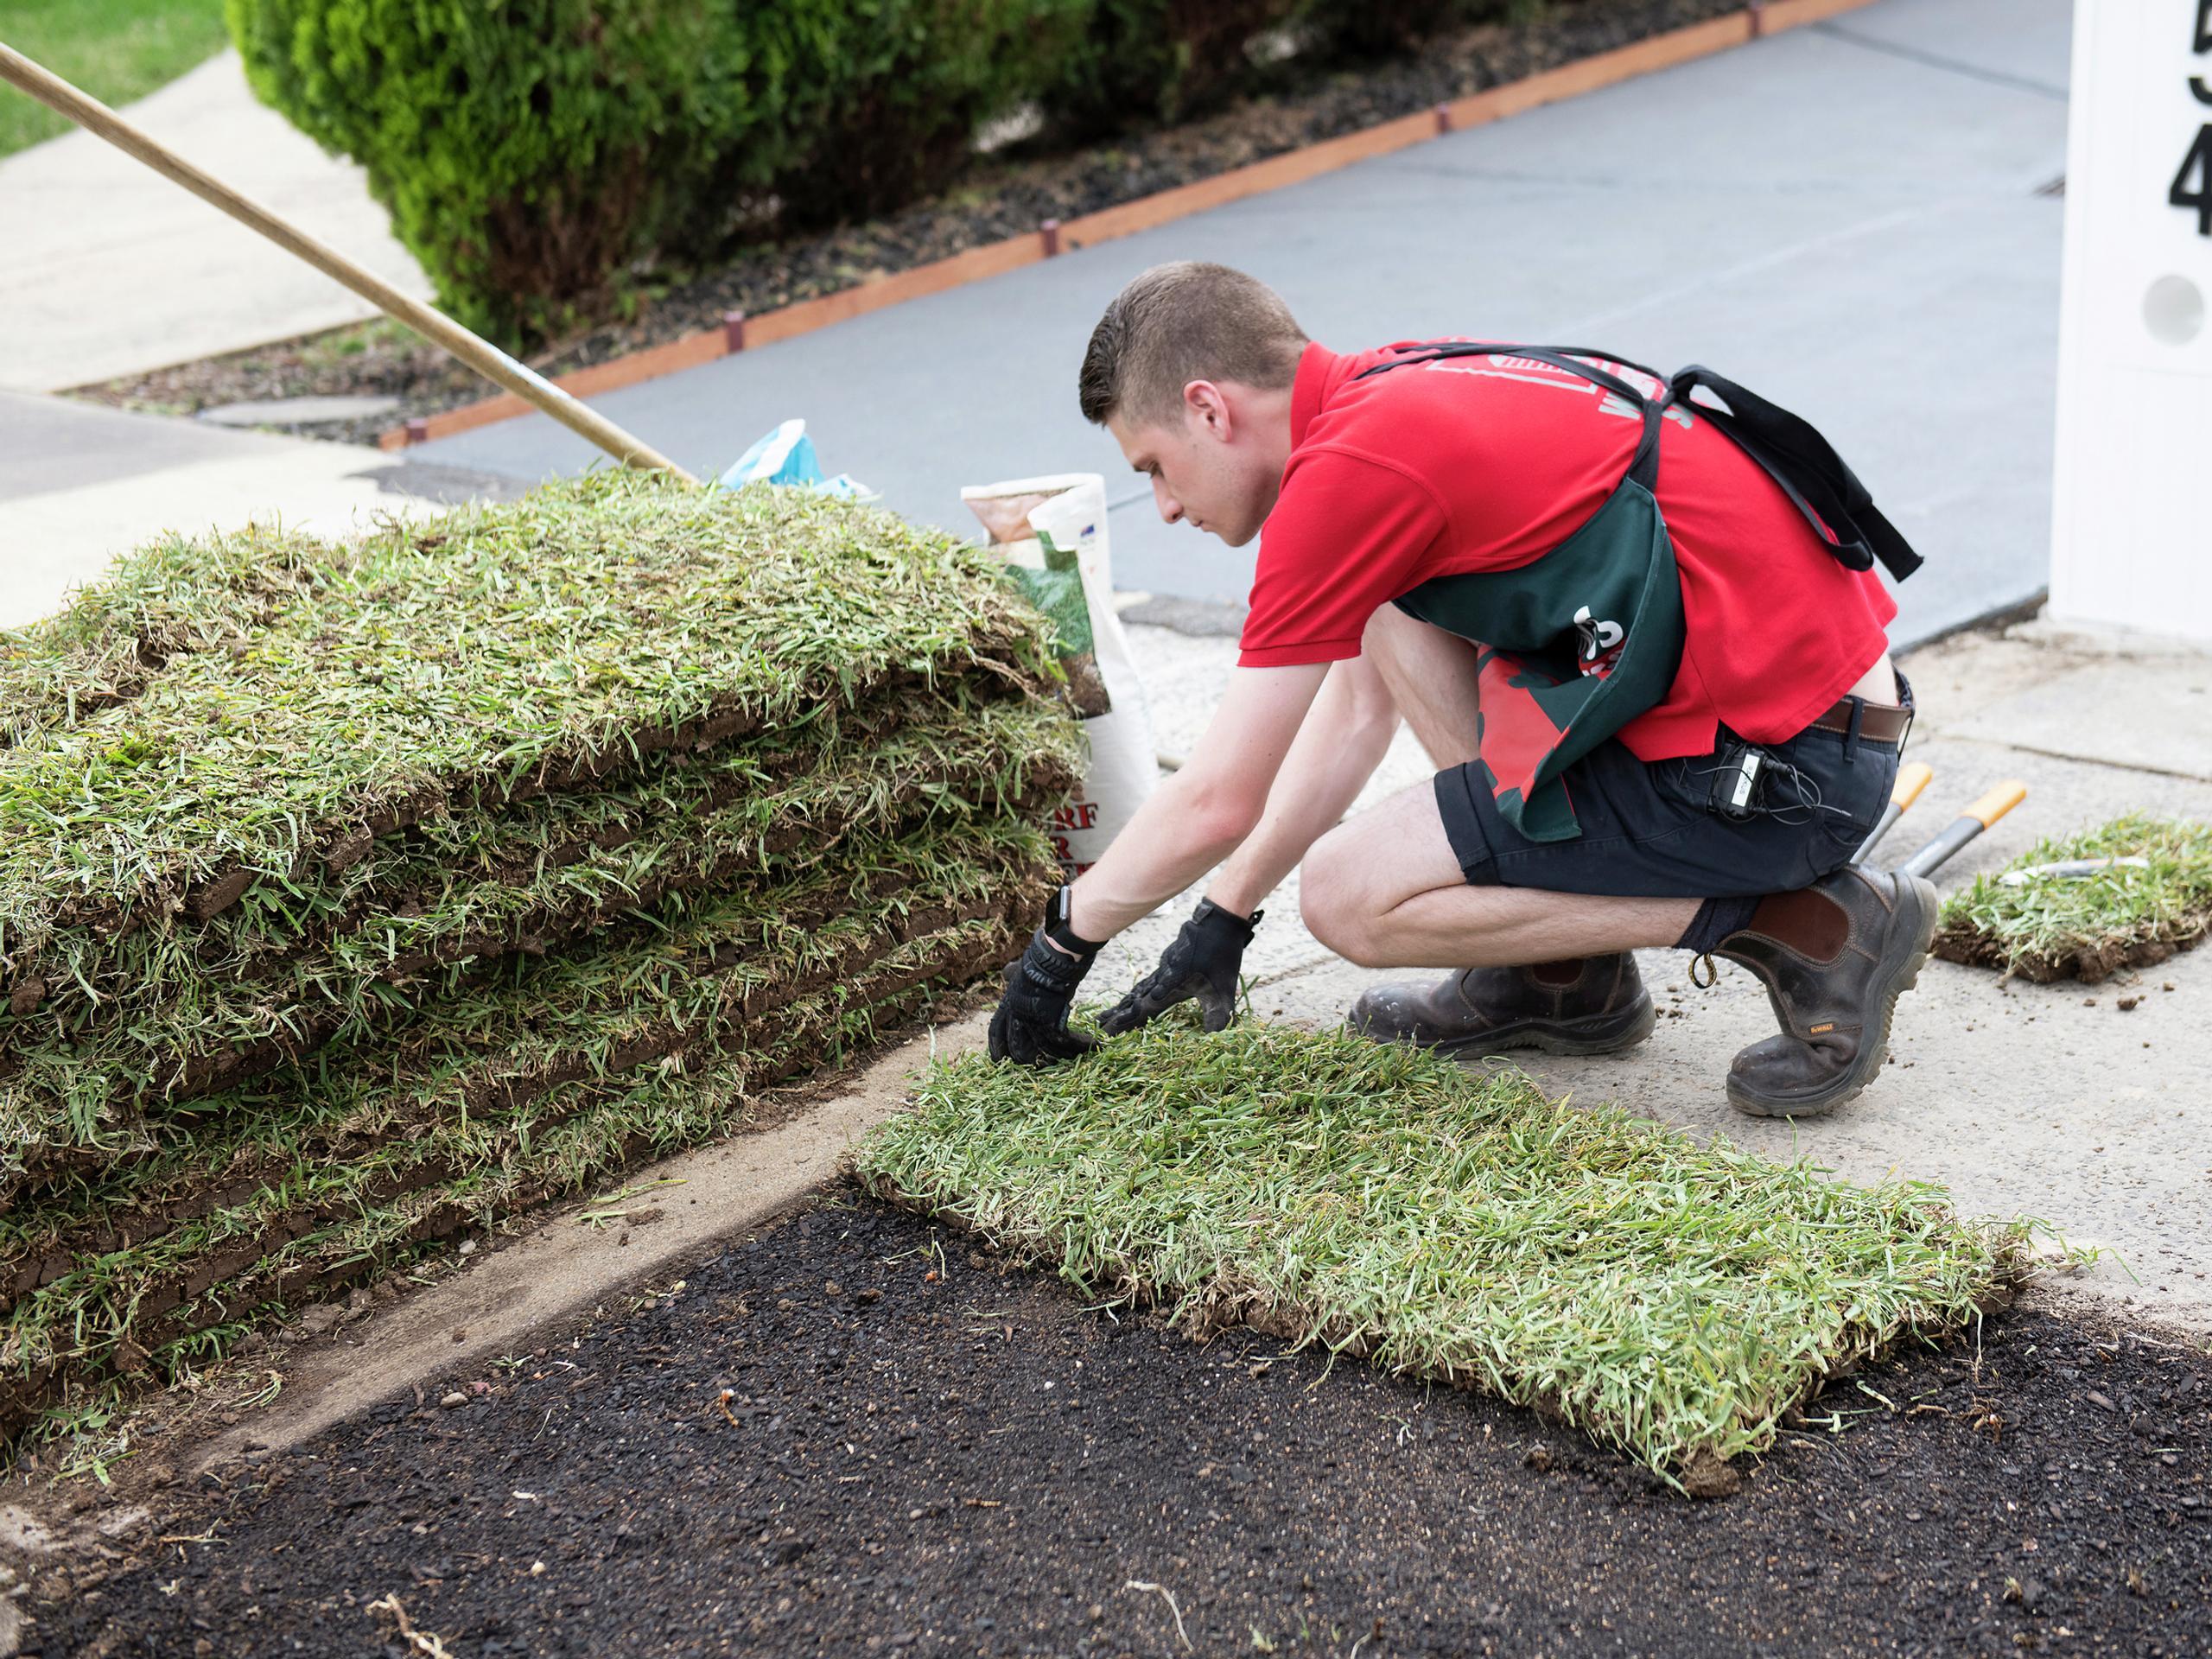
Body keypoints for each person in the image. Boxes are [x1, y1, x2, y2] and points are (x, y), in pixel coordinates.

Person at [988, 261, 1936, 1119]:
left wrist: (1060, 949)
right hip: (1810, 727)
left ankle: (1811, 923)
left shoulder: (1347, 476)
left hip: (1782, 779)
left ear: (1208, 408)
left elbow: (1216, 798)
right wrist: (1223, 914)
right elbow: (1358, 707)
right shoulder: (1389, 389)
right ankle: (1561, 974)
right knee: (1395, 608)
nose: (1160, 503)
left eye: (1152, 465)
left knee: (1348, 897)